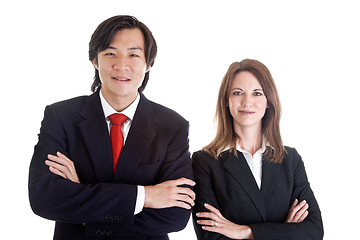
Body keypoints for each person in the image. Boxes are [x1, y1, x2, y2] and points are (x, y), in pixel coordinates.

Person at [28, 15, 195, 240]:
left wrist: (81, 195)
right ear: (95, 60)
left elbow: (175, 216)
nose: (121, 65)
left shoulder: (173, 126)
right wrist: (144, 196)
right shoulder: (61, 117)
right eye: (110, 53)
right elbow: (44, 198)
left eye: (133, 54)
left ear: (148, 64)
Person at [192, 59, 323, 239]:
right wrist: (285, 232)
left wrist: (246, 232)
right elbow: (211, 236)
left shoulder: (290, 159)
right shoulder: (205, 162)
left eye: (257, 93)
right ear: (226, 100)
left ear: (269, 101)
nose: (247, 102)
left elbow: (314, 231)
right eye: (238, 93)